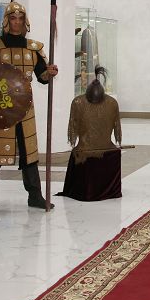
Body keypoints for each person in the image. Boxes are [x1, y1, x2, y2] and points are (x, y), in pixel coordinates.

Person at [0, 0, 58, 215]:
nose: (17, 22)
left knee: (29, 153)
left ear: (25, 21)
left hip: (24, 108)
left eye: (20, 18)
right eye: (13, 18)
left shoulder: (33, 48)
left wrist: (49, 73)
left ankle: (35, 196)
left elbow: (42, 76)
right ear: (6, 21)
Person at [59, 67, 123, 201]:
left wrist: (74, 142)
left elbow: (73, 129)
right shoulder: (80, 102)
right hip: (95, 148)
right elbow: (117, 128)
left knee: (79, 151)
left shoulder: (80, 102)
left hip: (96, 148)